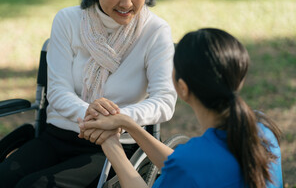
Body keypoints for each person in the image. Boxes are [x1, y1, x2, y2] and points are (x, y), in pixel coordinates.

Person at [0, 0, 176, 187]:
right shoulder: (68, 21)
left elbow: (164, 101)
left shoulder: (156, 31)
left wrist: (119, 119)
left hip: (117, 146)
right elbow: (58, 92)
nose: (127, 2)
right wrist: (91, 114)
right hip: (58, 137)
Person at [79, 28, 283, 188]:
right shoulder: (261, 130)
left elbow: (189, 168)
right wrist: (129, 125)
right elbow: (192, 168)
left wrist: (111, 146)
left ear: (182, 88)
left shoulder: (190, 164)